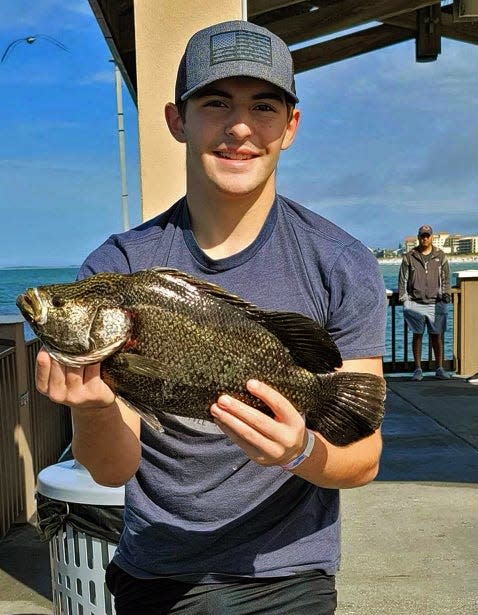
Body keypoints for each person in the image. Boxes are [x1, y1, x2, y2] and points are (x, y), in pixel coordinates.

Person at [35, 20, 387, 615]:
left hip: (290, 578)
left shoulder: (340, 262)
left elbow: (363, 457)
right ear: (178, 120)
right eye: (216, 103)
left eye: (264, 107)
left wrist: (299, 450)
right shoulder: (118, 266)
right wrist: (93, 406)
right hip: (155, 574)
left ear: (290, 126)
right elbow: (110, 467)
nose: (241, 127)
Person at [398, 224, 451, 381]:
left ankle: (440, 368)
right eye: (422, 235)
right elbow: (403, 279)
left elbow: (446, 278)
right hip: (415, 303)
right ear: (418, 237)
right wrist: (404, 299)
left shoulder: (440, 256)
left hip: (437, 303)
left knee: (437, 336)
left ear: (432, 237)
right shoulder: (409, 256)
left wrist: (446, 295)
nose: (425, 238)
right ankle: (418, 369)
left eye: (427, 235)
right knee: (417, 336)